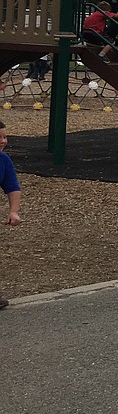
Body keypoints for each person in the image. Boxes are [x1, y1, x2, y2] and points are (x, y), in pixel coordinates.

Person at [0, 120, 23, 311]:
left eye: (4, 137)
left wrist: (13, 210)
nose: (3, 141)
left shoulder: (4, 160)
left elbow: (12, 186)